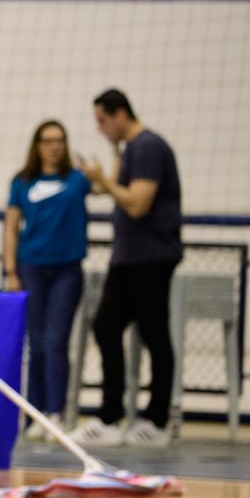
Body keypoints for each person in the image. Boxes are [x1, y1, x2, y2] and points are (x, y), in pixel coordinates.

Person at [72, 89, 182, 448]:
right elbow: (121, 192)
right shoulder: (130, 149)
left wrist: (104, 181)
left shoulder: (148, 147)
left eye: (103, 120)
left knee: (154, 334)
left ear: (120, 114)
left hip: (150, 257)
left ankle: (157, 421)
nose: (100, 128)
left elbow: (137, 204)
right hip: (128, 257)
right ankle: (109, 416)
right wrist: (105, 174)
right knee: (106, 326)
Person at [2, 120, 90, 441]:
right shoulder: (22, 182)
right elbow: (11, 228)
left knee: (56, 340)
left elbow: (109, 185)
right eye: (48, 140)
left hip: (66, 269)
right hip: (32, 268)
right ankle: (35, 414)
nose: (54, 146)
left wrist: (112, 155)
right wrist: (11, 270)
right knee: (36, 344)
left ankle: (56, 413)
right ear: (37, 145)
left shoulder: (77, 180)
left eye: (59, 140)